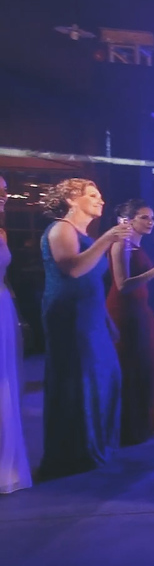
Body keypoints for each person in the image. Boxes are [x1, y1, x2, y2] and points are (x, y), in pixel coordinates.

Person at [38, 178, 132, 478]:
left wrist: (105, 318)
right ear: (71, 200)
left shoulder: (85, 235)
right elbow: (74, 269)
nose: (100, 200)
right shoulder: (61, 229)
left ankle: (98, 445)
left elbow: (92, 282)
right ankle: (76, 452)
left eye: (100, 195)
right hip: (70, 316)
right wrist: (107, 239)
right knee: (78, 379)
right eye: (92, 195)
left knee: (105, 376)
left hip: (91, 317)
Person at [106, 199, 154, 444]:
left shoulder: (136, 245)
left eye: (152, 218)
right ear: (129, 220)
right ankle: (131, 426)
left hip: (140, 308)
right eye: (144, 217)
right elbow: (123, 285)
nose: (150, 222)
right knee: (133, 364)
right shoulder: (121, 245)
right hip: (126, 310)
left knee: (150, 363)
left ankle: (147, 421)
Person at [1, 175, 32, 493]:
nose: (3, 196)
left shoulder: (2, 232)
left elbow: (5, 278)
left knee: (5, 382)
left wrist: (19, 315)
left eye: (5, 191)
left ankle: (5, 465)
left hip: (3, 309)